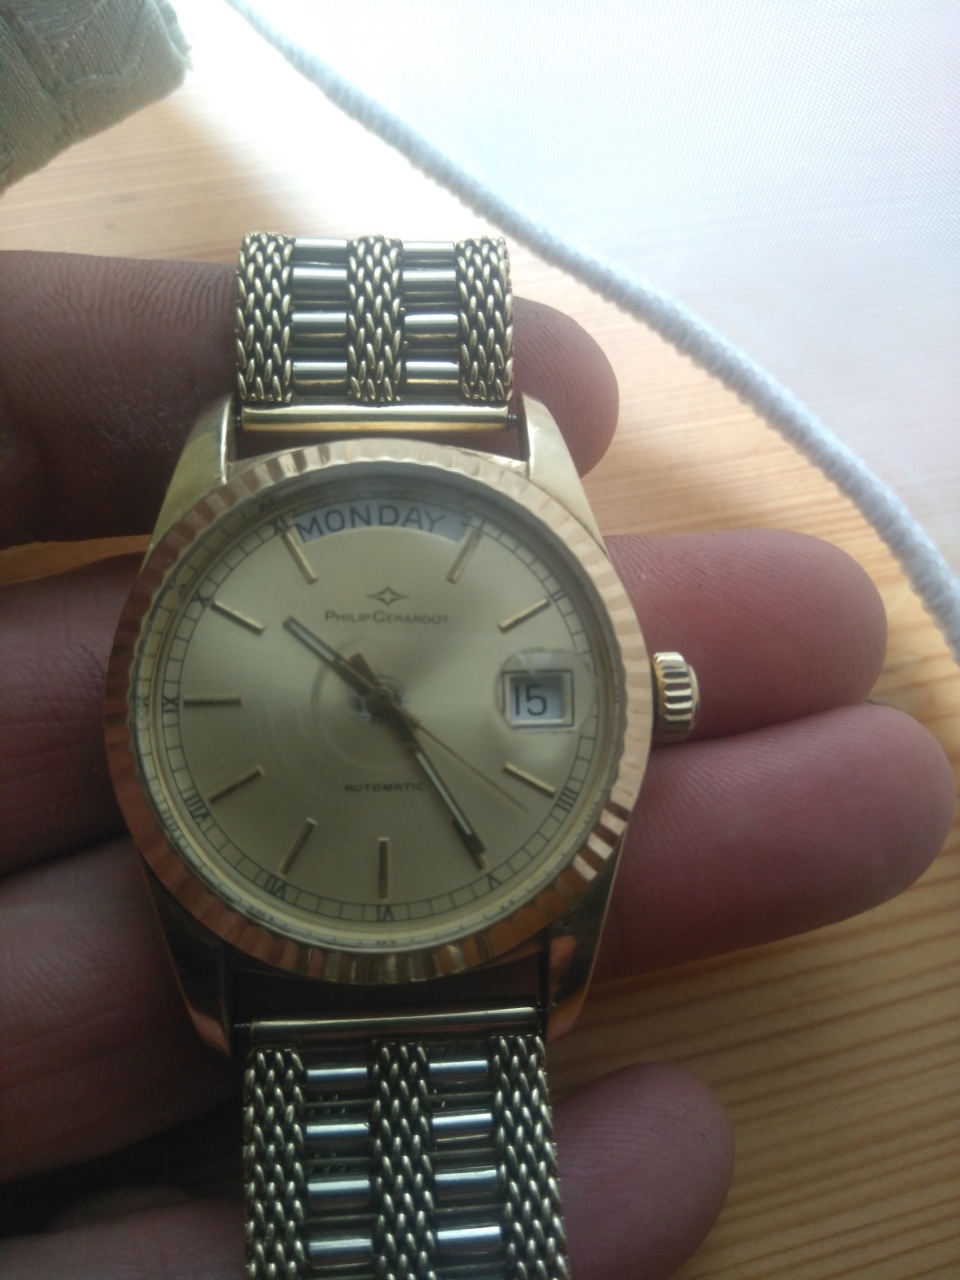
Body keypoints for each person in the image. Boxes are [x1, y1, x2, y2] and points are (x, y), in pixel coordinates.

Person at [0, 251, 954, 1279]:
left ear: (648, 693)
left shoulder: (305, 463)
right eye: (377, 694)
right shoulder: (325, 465)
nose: (386, 700)